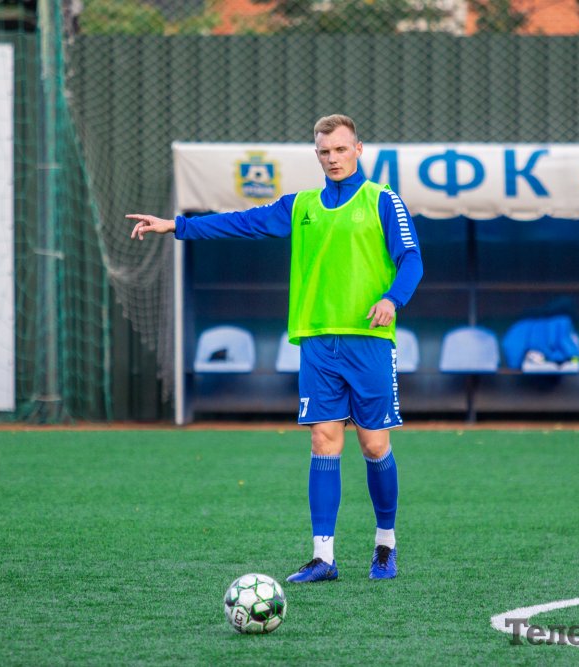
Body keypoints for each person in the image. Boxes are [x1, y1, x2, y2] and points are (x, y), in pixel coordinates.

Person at [127, 114, 423, 582]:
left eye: (340, 149)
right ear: (316, 155)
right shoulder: (301, 205)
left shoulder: (382, 199)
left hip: (369, 340)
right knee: (323, 441)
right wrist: (176, 226)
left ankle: (385, 544)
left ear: (358, 149)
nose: (333, 159)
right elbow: (243, 222)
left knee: (373, 445)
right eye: (325, 152)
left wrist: (392, 299)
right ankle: (323, 557)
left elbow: (411, 259)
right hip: (317, 342)